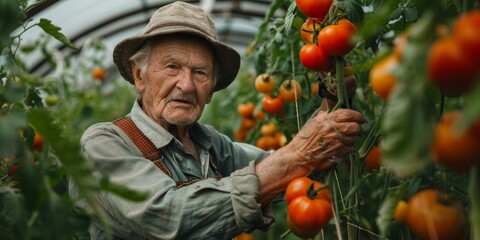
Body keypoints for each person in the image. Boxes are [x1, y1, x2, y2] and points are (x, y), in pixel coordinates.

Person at [69, 1, 364, 239]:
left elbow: (293, 174)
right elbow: (170, 218)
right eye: (172, 67)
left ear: (211, 89)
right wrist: (297, 154)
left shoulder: (210, 144)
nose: (186, 85)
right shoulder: (104, 145)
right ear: (139, 75)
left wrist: (332, 101)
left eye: (200, 72)